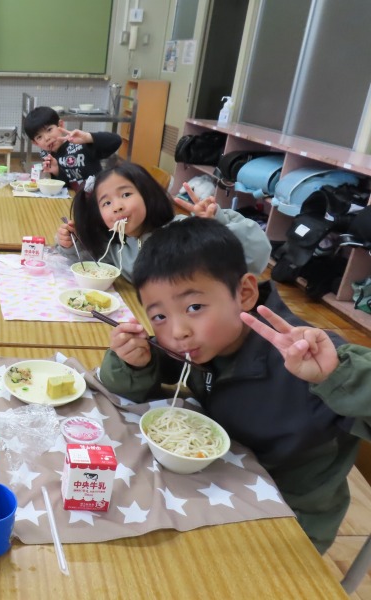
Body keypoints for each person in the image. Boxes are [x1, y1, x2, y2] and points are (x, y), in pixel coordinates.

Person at [100, 217, 371, 554]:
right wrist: (133, 362)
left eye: (194, 307)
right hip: (212, 480)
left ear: (244, 293)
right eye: (159, 316)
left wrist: (337, 376)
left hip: (288, 514)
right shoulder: (203, 343)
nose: (178, 331)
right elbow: (131, 385)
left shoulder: (310, 360)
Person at [56, 162, 271, 281]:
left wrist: (215, 225)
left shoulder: (179, 231)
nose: (117, 206)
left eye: (126, 195)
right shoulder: (118, 246)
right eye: (106, 203)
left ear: (147, 195)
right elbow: (92, 265)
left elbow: (256, 255)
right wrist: (71, 244)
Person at [23, 106, 122, 188]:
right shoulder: (47, 155)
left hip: (97, 197)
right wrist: (57, 172)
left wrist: (88, 137)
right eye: (39, 137)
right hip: (74, 199)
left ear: (61, 125)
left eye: (49, 130)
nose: (46, 138)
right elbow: (64, 186)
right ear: (35, 143)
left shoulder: (80, 144)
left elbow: (116, 141)